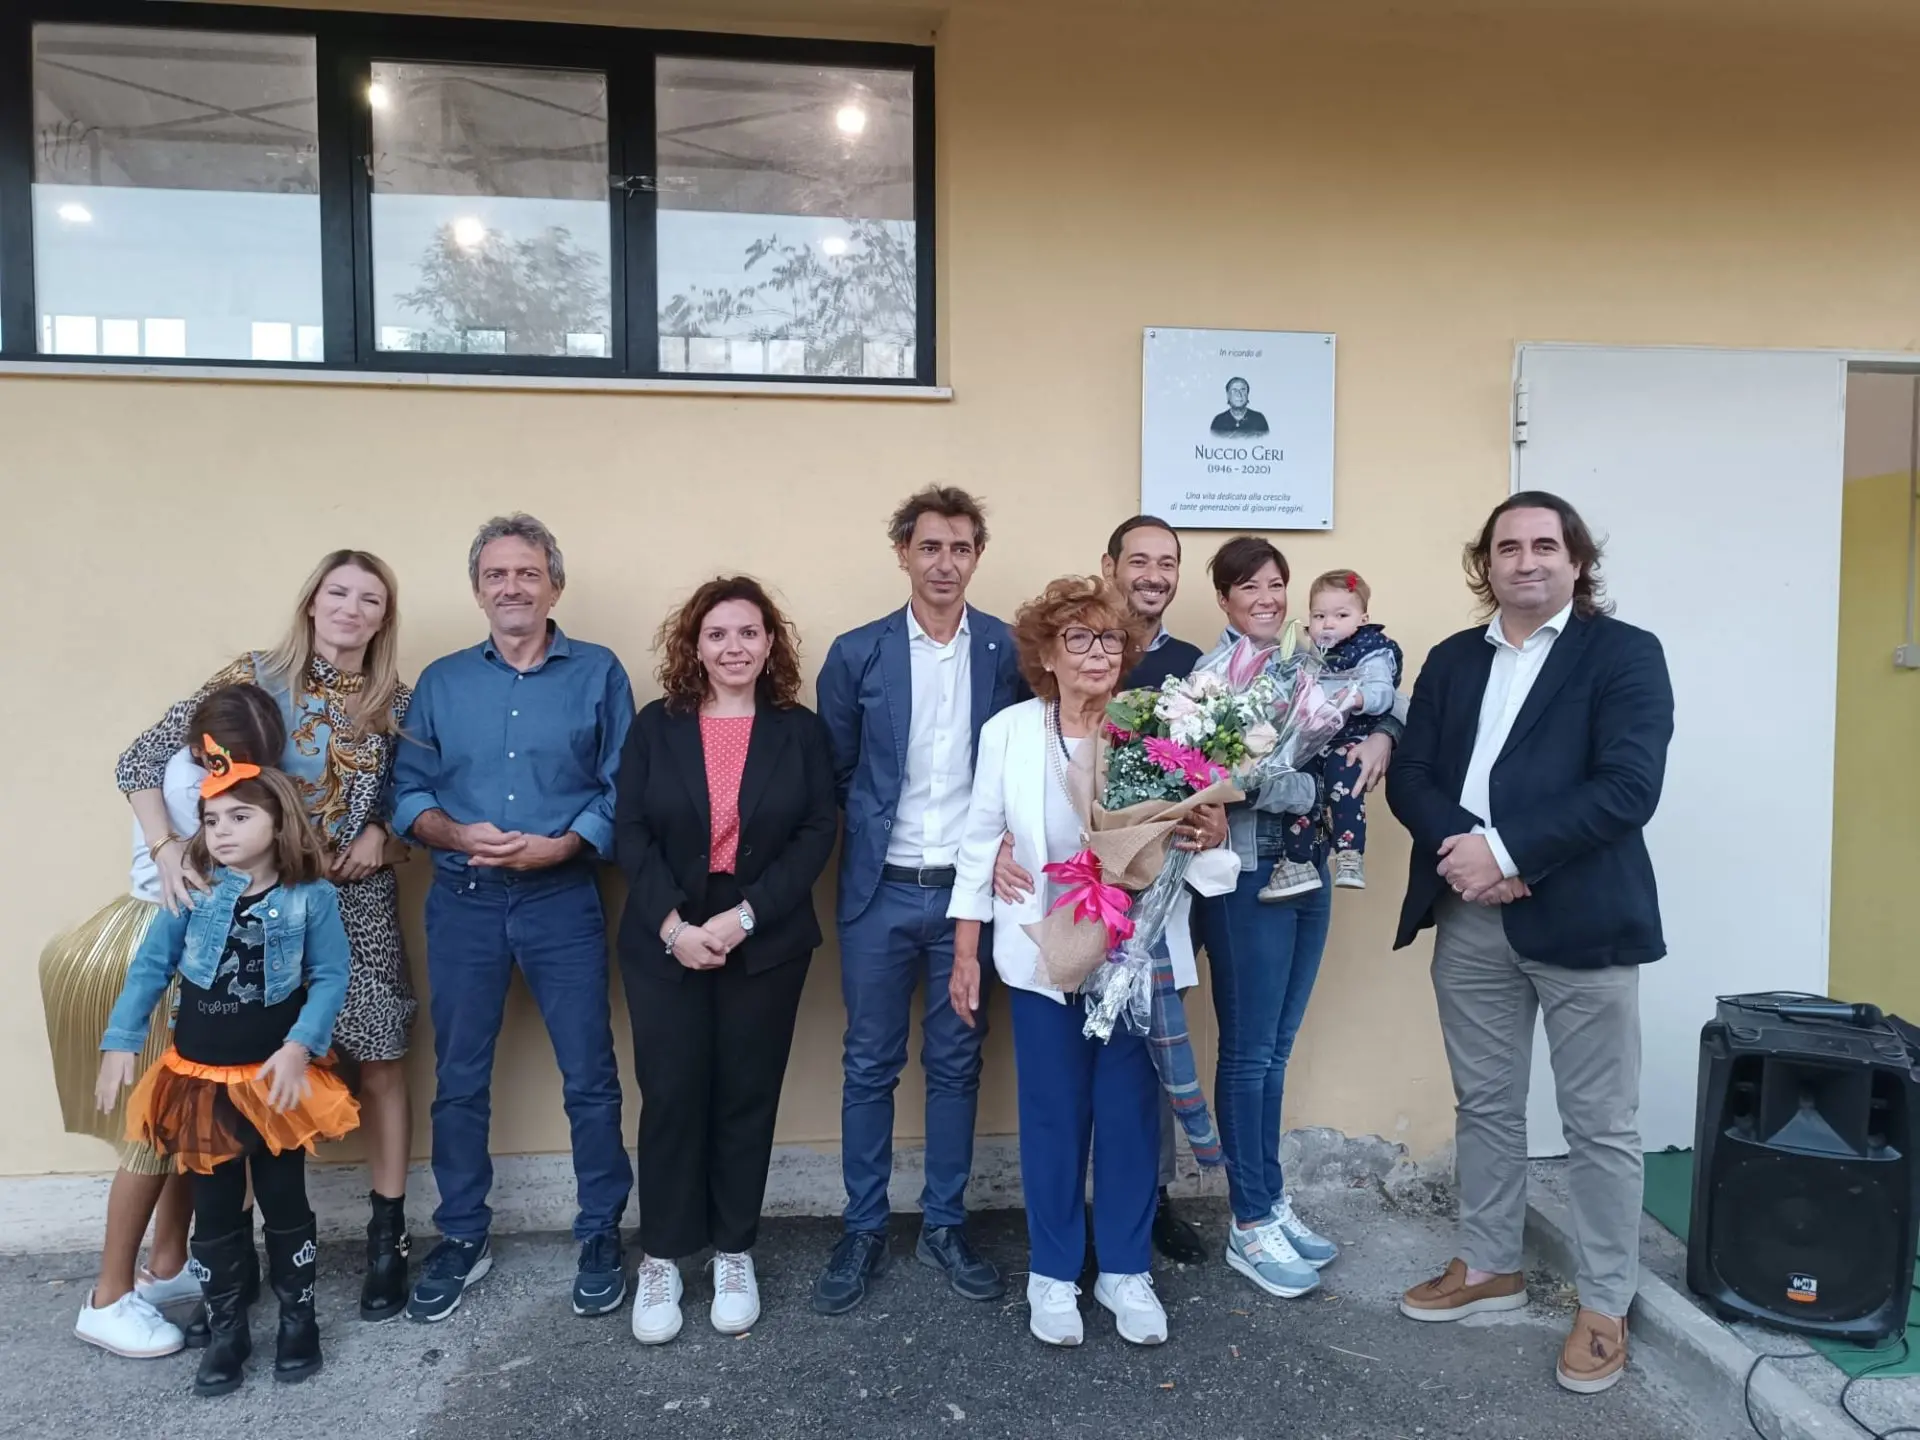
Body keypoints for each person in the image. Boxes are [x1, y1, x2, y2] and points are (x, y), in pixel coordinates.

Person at [1386, 492, 1672, 1397]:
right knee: (1487, 1101)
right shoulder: (1452, 659)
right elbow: (1415, 776)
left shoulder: (1625, 655)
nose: (1527, 560)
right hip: (1470, 913)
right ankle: (1488, 1264)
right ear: (1487, 565)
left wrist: (1506, 853)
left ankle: (1603, 1301)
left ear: (1577, 560)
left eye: (1545, 544)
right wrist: (1468, 858)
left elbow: (1627, 787)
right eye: (1507, 547)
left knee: (1600, 1125)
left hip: (1581, 916)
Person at [114, 550, 417, 1322]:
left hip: (356, 904)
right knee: (237, 1076)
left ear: (386, 617)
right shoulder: (253, 677)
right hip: (255, 904)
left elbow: (418, 798)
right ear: (312, 601)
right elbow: (142, 760)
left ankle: (388, 1240)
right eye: (337, 592)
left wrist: (387, 831)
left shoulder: (396, 702)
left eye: (370, 599)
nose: (351, 609)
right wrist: (166, 850)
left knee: (379, 1058)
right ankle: (230, 1258)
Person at [948, 576, 1228, 1347]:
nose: (1098, 652)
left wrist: (1208, 834)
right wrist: (966, 950)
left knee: (1130, 1114)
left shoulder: (1151, 733)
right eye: (1078, 638)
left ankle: (1127, 1272)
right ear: (1046, 652)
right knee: (1052, 1115)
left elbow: (1194, 857)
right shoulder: (1009, 731)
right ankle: (1054, 1273)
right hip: (1044, 954)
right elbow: (980, 840)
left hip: (1137, 959)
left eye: (1110, 639)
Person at [390, 513, 634, 1324]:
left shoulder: (598, 673)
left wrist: (563, 846)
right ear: (477, 589)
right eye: (496, 575)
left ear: (553, 584)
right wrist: (454, 832)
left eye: (527, 573)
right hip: (461, 903)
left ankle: (601, 1231)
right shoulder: (441, 682)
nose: (512, 588)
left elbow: (621, 788)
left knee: (590, 1079)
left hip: (563, 900)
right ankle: (462, 1235)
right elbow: (407, 794)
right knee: (459, 1081)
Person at [812, 485, 1026, 1316]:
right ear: (903, 552)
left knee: (957, 1062)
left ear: (977, 557)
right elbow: (836, 771)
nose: (945, 563)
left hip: (970, 901)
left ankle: (944, 1223)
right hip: (879, 893)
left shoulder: (1004, 651)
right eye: (930, 546)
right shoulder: (858, 652)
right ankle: (863, 1226)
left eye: (961, 548)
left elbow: (1018, 765)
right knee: (868, 1064)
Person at [615, 576, 838, 1345]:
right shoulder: (656, 726)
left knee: (747, 1095)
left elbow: (816, 831)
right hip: (666, 934)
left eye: (748, 633)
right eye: (717, 634)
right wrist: (676, 927)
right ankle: (665, 1257)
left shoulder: (799, 731)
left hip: (763, 935)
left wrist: (743, 918)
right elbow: (631, 830)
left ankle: (734, 1250)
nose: (733, 647)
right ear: (695, 645)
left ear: (770, 644)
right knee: (672, 1093)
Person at [95, 761, 359, 1397]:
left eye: (240, 817)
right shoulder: (193, 892)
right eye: (212, 820)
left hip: (274, 1084)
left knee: (283, 1197)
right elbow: (152, 968)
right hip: (199, 1080)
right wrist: (120, 1042)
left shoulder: (311, 898)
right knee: (213, 1210)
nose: (221, 831)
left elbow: (330, 977)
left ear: (278, 824)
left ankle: (300, 1321)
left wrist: (301, 1046)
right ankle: (227, 1327)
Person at [44, 684, 286, 1358]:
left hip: (174, 940)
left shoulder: (195, 767)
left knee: (187, 1123)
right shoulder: (204, 787)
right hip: (161, 947)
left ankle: (170, 1267)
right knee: (152, 1133)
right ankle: (108, 1297)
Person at [1196, 537, 1400, 1300]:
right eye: (1250, 587)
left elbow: (1376, 706)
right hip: (1248, 874)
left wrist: (1382, 733)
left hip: (1306, 868)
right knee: (1248, 1054)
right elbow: (1228, 784)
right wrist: (1314, 792)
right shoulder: (1213, 681)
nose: (1269, 598)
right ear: (1222, 599)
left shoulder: (1309, 658)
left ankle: (1271, 1201)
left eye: (1278, 584)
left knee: (1277, 1050)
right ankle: (1248, 1223)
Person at [1262, 568, 1405, 897]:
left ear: (1363, 618)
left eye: (1342, 615)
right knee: (1300, 791)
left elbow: (1384, 692)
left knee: (1345, 781)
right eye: (1319, 615)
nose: (1329, 623)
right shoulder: (1307, 653)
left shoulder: (1370, 650)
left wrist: (1358, 698)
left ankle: (1350, 853)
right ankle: (1297, 862)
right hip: (1313, 741)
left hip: (1350, 737)